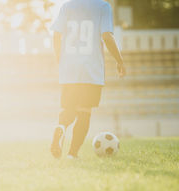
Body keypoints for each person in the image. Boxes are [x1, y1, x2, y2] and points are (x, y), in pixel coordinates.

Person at [50, 0, 126, 159]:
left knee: (68, 109)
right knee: (84, 112)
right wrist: (119, 60)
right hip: (90, 70)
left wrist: (60, 60)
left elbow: (56, 34)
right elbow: (106, 35)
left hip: (68, 69)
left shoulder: (67, 6)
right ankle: (72, 154)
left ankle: (60, 128)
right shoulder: (103, 6)